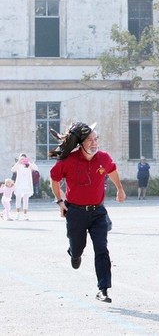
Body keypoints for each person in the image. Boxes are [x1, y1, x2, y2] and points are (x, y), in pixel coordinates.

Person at [48, 122, 126, 303]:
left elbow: (112, 169)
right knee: (78, 247)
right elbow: (54, 179)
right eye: (90, 140)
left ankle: (103, 289)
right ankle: (74, 254)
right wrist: (60, 201)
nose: (94, 143)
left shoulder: (103, 158)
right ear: (80, 143)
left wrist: (120, 189)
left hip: (98, 212)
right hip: (75, 212)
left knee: (102, 249)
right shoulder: (68, 161)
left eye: (96, 139)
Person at [11, 153, 38, 220]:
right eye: (21, 158)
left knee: (25, 199)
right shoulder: (18, 165)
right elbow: (12, 169)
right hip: (19, 184)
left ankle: (25, 214)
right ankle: (17, 214)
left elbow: (36, 168)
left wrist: (31, 161)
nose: (23, 160)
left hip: (27, 184)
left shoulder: (29, 165)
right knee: (18, 199)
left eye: (24, 158)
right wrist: (18, 162)